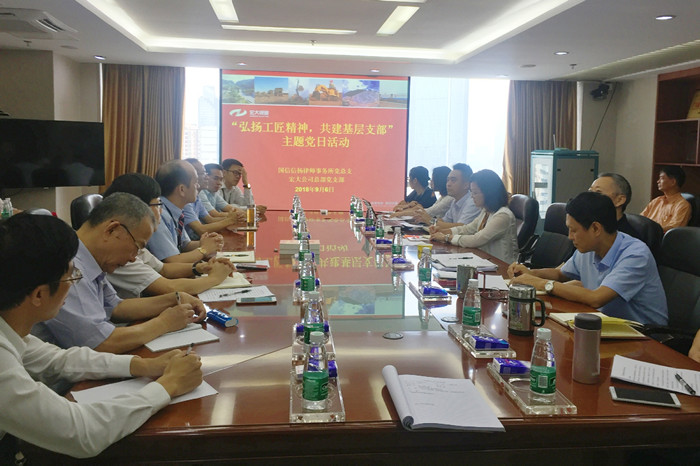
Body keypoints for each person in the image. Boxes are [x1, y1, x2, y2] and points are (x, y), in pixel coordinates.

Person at [0, 213, 202, 460]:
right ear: (39, 295)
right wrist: (168, 386)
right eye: (72, 276)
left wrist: (144, 365)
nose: (74, 285)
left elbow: (59, 360)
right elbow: (82, 432)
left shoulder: (11, 329)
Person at [33, 193, 207, 354]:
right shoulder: (68, 266)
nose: (133, 258)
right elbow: (100, 343)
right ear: (112, 230)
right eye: (137, 247)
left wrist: (175, 298)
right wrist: (164, 323)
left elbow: (115, 307)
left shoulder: (89, 258)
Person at [508, 191, 668, 325]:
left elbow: (596, 298)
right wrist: (529, 273)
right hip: (603, 323)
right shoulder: (589, 248)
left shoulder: (635, 254)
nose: (569, 237)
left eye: (573, 230)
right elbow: (560, 274)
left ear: (596, 228)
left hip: (645, 336)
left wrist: (543, 284)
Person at [103, 173, 236, 298]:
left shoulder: (131, 238)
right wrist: (214, 277)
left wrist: (201, 267)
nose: (161, 210)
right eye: (158, 204)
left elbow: (163, 269)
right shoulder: (118, 248)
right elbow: (169, 286)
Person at [431, 169, 518, 263]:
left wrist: (446, 237)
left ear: (489, 193)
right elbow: (467, 229)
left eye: (475, 193)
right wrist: (441, 231)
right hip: (485, 262)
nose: (472, 196)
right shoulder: (486, 211)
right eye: (471, 192)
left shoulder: (503, 215)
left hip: (501, 267)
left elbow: (476, 239)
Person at [147, 159, 224, 263]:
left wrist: (207, 243)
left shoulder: (175, 210)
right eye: (195, 182)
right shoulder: (159, 214)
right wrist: (204, 249)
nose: (198, 186)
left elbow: (185, 244)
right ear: (182, 189)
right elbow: (172, 261)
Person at [182, 158, 244, 239]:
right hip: (196, 239)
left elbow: (209, 219)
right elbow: (201, 229)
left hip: (197, 240)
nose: (207, 177)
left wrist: (234, 218)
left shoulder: (197, 197)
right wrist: (230, 219)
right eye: (203, 174)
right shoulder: (186, 200)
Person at [427, 163, 481, 231]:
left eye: (453, 180)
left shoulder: (472, 202)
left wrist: (428, 220)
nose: (448, 184)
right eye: (448, 180)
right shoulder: (455, 200)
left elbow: (461, 226)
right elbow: (444, 221)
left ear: (466, 185)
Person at [641, 166, 691, 232]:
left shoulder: (682, 205)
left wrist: (652, 228)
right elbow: (641, 219)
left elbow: (674, 229)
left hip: (661, 237)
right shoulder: (656, 201)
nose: (658, 181)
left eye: (662, 178)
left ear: (673, 182)